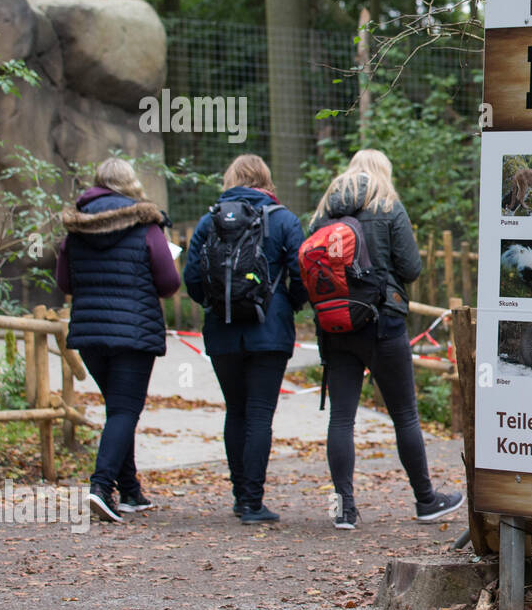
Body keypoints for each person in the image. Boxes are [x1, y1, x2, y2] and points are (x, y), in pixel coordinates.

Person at [308, 149, 463, 529]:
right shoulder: (387, 205)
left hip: (336, 326)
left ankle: (343, 509)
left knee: (341, 417)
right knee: (405, 414)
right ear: (383, 172)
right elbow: (411, 267)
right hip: (382, 323)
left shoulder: (323, 212)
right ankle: (426, 500)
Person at [183, 155, 307, 524]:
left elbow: (192, 279)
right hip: (268, 331)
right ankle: (253, 501)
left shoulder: (210, 221)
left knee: (235, 410)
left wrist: (215, 304)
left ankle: (241, 497)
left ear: (231, 179)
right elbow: (301, 275)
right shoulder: (283, 219)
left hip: (222, 332)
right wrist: (289, 305)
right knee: (258, 414)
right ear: (266, 181)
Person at [57, 158, 180, 522]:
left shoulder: (75, 229)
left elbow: (65, 283)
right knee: (125, 410)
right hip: (134, 333)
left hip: (91, 333)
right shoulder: (147, 226)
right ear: (131, 184)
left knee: (117, 409)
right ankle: (101, 486)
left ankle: (130, 491)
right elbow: (170, 283)